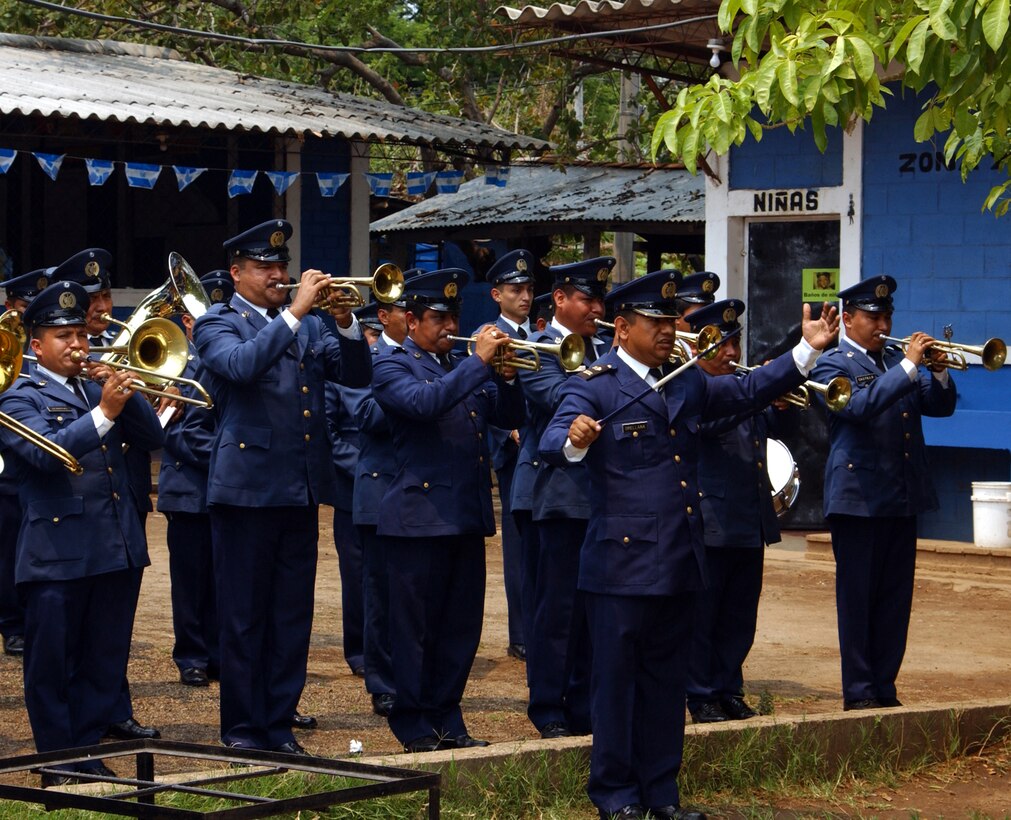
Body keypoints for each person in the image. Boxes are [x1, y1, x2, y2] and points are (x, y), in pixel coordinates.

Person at [540, 270, 839, 820]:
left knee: (663, 685)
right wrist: (574, 438)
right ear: (623, 327)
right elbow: (553, 437)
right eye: (655, 322)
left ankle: (661, 794)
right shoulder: (595, 382)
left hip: (679, 558)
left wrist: (805, 351)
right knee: (617, 686)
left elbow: (747, 390)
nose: (666, 332)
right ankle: (616, 795)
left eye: (669, 322)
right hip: (621, 564)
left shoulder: (682, 381)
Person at [192, 218, 372, 754]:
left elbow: (357, 375)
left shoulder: (313, 326)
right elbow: (241, 367)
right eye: (265, 267)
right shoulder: (216, 322)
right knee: (245, 617)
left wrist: (344, 321)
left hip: (299, 487)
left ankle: (277, 724)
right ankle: (244, 731)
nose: (278, 274)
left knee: (291, 617)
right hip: (245, 491)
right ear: (236, 272)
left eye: (281, 266)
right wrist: (295, 313)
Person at [0, 281, 164, 787]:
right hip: (57, 551)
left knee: (102, 659)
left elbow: (154, 437)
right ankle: (55, 760)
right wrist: (104, 412)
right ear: (36, 346)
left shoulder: (97, 385)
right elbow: (44, 454)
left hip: (114, 546)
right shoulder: (16, 394)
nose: (78, 344)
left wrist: (122, 391)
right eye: (63, 335)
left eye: (80, 334)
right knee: (53, 665)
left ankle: (88, 753)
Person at [371, 267, 525, 752]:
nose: (447, 325)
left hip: (464, 516)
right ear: (411, 322)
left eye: (452, 316)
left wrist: (508, 375)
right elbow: (424, 404)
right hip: (417, 519)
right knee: (415, 632)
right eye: (437, 317)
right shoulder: (392, 365)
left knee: (459, 630)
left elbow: (510, 417)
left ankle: (448, 717)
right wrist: (477, 364)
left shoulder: (458, 366)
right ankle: (414, 723)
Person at [810, 275, 956, 711]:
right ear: (849, 319)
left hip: (901, 495)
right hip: (857, 499)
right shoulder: (831, 364)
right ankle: (859, 692)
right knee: (858, 600)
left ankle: (884, 687)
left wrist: (940, 369)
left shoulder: (896, 359)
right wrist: (911, 367)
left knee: (895, 600)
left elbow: (940, 406)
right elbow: (858, 407)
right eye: (872, 316)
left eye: (886, 315)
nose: (882, 324)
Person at [48, 248, 161, 741]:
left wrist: (122, 390)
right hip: (68, 517)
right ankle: (78, 732)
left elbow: (154, 436)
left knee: (113, 625)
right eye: (90, 300)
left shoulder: (113, 351)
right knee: (73, 634)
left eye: (105, 296)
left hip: (123, 499)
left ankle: (112, 708)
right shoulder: (42, 378)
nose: (100, 308)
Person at [683, 298, 794, 724]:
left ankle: (729, 686)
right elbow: (708, 426)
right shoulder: (692, 387)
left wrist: (776, 405)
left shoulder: (743, 386)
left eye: (735, 343)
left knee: (740, 613)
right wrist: (759, 394)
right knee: (703, 615)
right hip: (711, 519)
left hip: (749, 517)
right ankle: (701, 693)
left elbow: (763, 440)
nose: (731, 353)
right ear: (699, 346)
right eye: (722, 345)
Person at [517, 256, 613, 739]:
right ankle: (549, 706)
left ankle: (585, 705)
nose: (596, 307)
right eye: (586, 298)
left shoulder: (607, 348)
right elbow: (562, 400)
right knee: (558, 612)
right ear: (559, 299)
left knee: (599, 614)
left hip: (609, 500)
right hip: (564, 496)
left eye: (600, 299)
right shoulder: (534, 349)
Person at [349, 277, 419, 719]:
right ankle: (383, 681)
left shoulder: (437, 360)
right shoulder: (367, 358)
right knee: (380, 595)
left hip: (421, 493)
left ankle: (414, 678)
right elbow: (363, 413)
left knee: (416, 595)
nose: (413, 322)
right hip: (380, 490)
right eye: (406, 313)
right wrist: (413, 393)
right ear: (385, 317)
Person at [156, 271, 230, 688]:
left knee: (221, 576)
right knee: (190, 578)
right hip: (187, 489)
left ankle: (217, 651)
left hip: (221, 488)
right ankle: (191, 655)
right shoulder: (174, 364)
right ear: (187, 324)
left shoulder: (227, 360)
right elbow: (172, 433)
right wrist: (229, 456)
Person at [0, 268, 52, 658]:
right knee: (7, 548)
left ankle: (33, 620)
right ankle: (12, 624)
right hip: (8, 463)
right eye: (21, 308)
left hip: (38, 459)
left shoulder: (42, 347)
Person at [487, 249, 535, 661]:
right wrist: (508, 431)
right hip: (514, 449)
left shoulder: (540, 337)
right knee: (519, 545)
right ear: (496, 294)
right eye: (515, 290)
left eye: (528, 289)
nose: (524, 296)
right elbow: (481, 397)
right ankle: (521, 631)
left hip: (547, 446)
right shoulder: (488, 337)